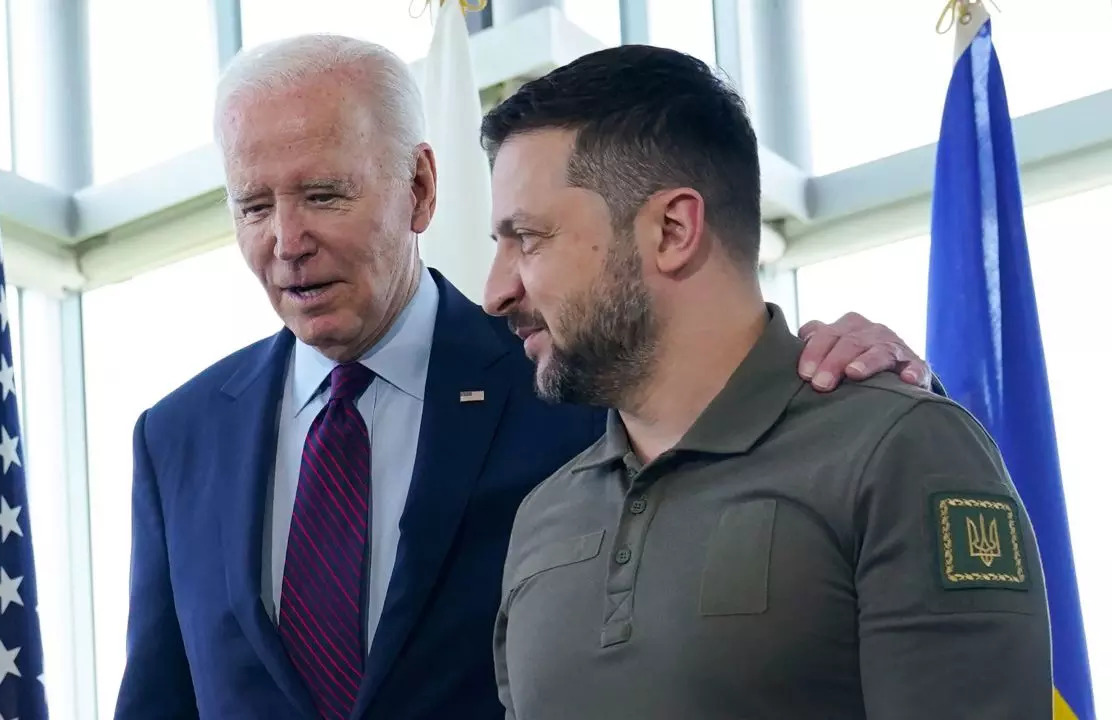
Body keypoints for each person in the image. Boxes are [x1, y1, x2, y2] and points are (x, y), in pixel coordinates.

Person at [113, 34, 937, 720]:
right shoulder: (177, 437)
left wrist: (857, 369)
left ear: (421, 189)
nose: (286, 241)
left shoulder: (569, 375)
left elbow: (719, 376)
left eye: (324, 195)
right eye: (254, 207)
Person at [482, 44, 1052, 720]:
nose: (495, 290)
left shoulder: (898, 453)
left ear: (672, 230)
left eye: (529, 239)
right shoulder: (543, 515)